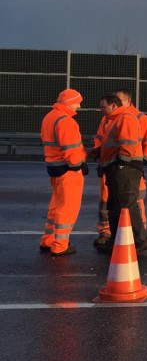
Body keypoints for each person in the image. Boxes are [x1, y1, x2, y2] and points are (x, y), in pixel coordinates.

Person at [92, 88, 147, 247]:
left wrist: (124, 163)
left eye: (103, 106)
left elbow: (129, 144)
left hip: (124, 169)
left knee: (128, 203)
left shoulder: (127, 118)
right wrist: (97, 155)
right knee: (115, 205)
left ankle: (140, 239)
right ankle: (117, 238)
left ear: (115, 105)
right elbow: (107, 144)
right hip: (115, 168)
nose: (101, 109)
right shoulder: (112, 119)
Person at [40, 89, 88, 256]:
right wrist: (78, 165)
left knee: (55, 206)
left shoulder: (50, 117)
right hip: (68, 170)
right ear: (69, 102)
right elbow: (71, 149)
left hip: (54, 167)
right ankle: (60, 245)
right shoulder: (66, 121)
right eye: (77, 102)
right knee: (68, 208)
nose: (79, 105)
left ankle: (48, 240)